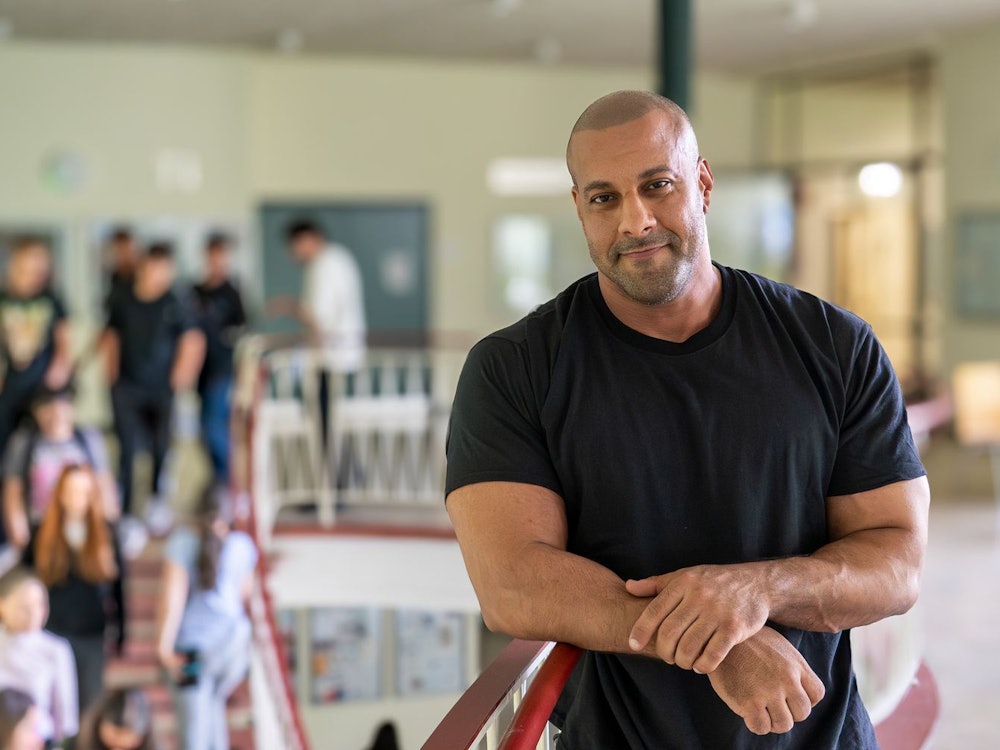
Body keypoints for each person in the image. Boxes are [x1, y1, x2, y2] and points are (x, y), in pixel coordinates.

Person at [445, 90, 930, 749]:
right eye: (604, 198)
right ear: (580, 208)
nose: (635, 221)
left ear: (702, 184)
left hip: (818, 736)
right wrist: (719, 643)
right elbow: (512, 583)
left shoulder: (833, 345)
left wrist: (754, 592)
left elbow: (896, 562)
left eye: (657, 185)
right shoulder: (514, 368)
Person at [100, 243, 205, 533]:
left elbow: (193, 340)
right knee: (127, 448)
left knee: (161, 445)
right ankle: (125, 510)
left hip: (161, 388)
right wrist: (111, 375)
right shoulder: (123, 298)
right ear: (143, 267)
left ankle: (156, 500)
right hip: (127, 386)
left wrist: (180, 377)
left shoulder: (176, 301)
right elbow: (110, 336)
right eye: (155, 268)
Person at [155, 486, 256, 750]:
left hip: (193, 653)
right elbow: (244, 594)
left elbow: (172, 600)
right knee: (213, 710)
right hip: (233, 650)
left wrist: (164, 648)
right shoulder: (243, 545)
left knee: (193, 736)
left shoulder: (182, 542)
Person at [22, 465, 124, 717]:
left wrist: (122, 630)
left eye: (83, 492)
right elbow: (25, 580)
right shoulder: (41, 532)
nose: (77, 499)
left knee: (89, 708)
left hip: (91, 632)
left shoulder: (106, 532)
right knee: (52, 709)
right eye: (71, 491)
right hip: (52, 631)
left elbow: (119, 585)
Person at [269, 220, 366, 449]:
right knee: (336, 427)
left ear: (308, 239)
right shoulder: (337, 259)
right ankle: (340, 468)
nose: (293, 254)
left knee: (329, 428)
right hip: (340, 357)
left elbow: (319, 317)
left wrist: (288, 306)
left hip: (333, 360)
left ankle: (336, 471)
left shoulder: (325, 265)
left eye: (294, 246)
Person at [2, 383, 118, 554]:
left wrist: (107, 528)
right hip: (40, 527)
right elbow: (13, 489)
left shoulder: (88, 439)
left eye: (62, 407)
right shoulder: (24, 443)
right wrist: (19, 533)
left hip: (82, 526)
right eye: (46, 407)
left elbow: (104, 483)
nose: (55, 414)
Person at [0, 239, 72, 459]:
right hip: (10, 382)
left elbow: (63, 338)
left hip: (42, 382)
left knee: (40, 441)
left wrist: (60, 367)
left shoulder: (51, 299)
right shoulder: (4, 298)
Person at [191, 233, 247, 487]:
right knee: (203, 430)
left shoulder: (232, 294)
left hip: (222, 371)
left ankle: (228, 482)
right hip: (200, 371)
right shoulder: (195, 292)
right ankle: (217, 479)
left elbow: (241, 336)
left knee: (215, 427)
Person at [0, 567, 78, 745]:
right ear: (2, 605)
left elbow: (66, 718)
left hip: (38, 740)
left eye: (40, 605)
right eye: (24, 607)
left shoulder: (56, 649)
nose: (34, 614)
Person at [76, 688, 157, 750]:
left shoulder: (147, 745)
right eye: (117, 733)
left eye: (127, 734)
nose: (122, 740)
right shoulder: (84, 740)